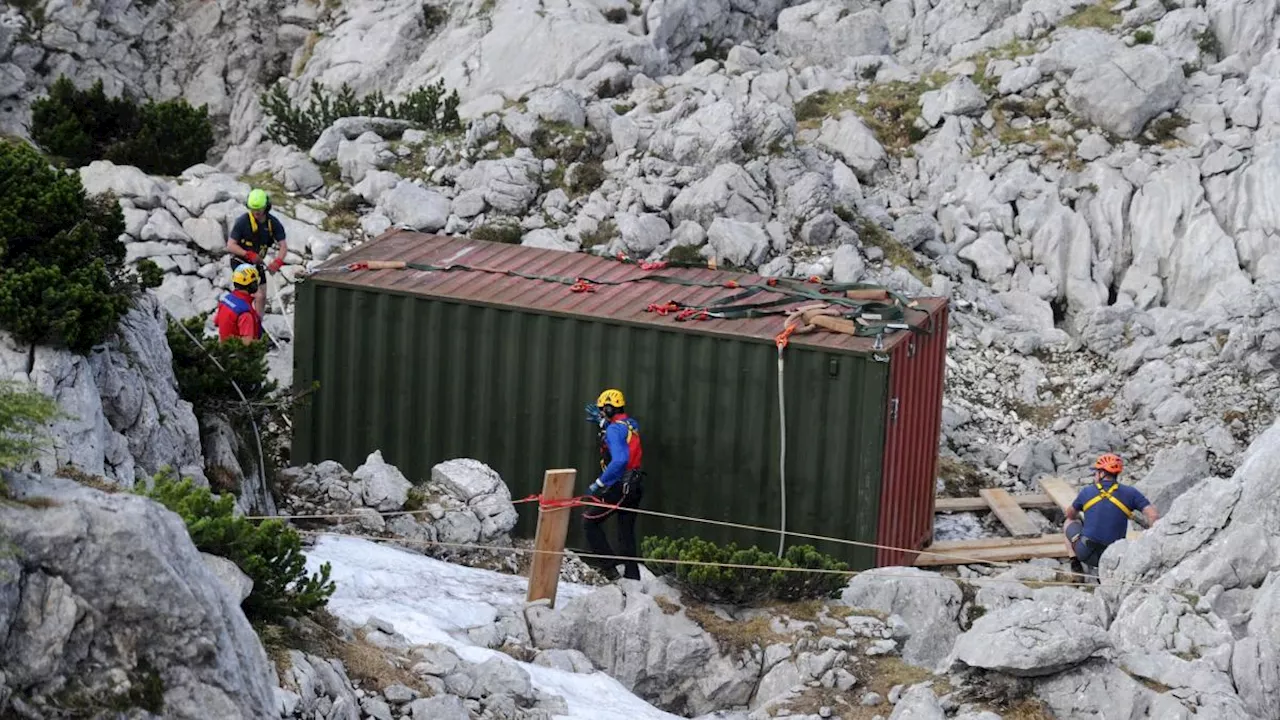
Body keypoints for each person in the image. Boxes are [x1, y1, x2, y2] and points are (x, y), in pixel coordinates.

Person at [582, 388, 645, 581]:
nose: (600, 412)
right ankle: (632, 577)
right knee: (625, 531)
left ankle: (610, 571)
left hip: (621, 486)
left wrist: (600, 482)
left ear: (610, 409)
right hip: (635, 485)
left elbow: (619, 460)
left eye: (603, 409)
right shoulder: (630, 424)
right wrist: (604, 423)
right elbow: (623, 432)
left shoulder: (613, 429)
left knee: (590, 522)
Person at [1063, 453, 1159, 576]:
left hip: (1086, 553)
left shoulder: (1087, 492)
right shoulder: (1131, 493)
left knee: (1068, 522)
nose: (1095, 475)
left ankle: (1075, 562)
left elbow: (1070, 514)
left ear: (1102, 474)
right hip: (1114, 557)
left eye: (1096, 472)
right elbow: (1153, 515)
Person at [226, 188, 288, 316]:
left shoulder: (273, 223)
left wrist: (278, 262)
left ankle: (258, 322)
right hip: (240, 261)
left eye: (259, 209)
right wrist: (247, 254)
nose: (256, 212)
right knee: (251, 293)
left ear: (266, 207)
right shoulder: (243, 222)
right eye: (253, 209)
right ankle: (244, 318)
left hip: (257, 262)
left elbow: (283, 246)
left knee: (262, 296)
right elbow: (231, 245)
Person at [214, 263, 264, 344]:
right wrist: (262, 343)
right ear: (252, 285)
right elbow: (247, 343)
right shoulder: (245, 314)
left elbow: (216, 322)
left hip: (224, 349)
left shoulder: (226, 299)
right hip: (237, 353)